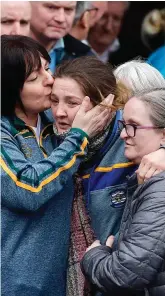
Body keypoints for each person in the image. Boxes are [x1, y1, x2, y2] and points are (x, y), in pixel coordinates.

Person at [1, 35, 113, 296]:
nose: (49, 80)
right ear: (8, 88)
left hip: (59, 281)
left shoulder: (54, 122)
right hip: (13, 285)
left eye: (47, 68)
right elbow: (27, 189)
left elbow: (127, 128)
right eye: (34, 78)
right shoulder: (4, 131)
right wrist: (77, 138)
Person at [50, 57, 165, 296]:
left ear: (104, 106)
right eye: (53, 101)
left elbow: (127, 271)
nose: (59, 112)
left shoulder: (135, 153)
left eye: (72, 103)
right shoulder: (47, 145)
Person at [81, 86, 165, 296]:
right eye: (124, 125)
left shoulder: (160, 190)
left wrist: (93, 257)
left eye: (133, 126)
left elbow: (124, 275)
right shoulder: (148, 179)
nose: (123, 135)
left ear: (163, 135)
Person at [30, 1, 93, 74]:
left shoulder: (85, 58)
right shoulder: (14, 51)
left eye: (68, 9)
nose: (61, 19)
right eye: (51, 7)